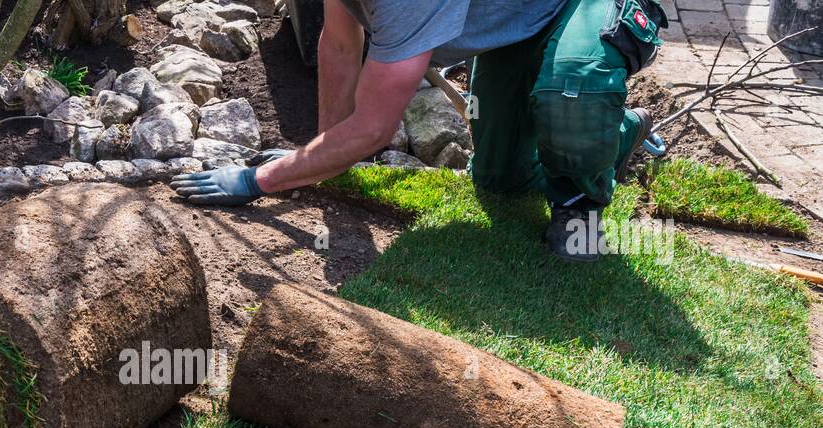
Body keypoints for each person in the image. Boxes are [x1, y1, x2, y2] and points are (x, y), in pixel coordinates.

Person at [171, 0, 665, 262]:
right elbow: (341, 46)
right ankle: (594, 134)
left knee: (571, 96)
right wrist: (318, 160)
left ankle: (589, 184)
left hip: (584, 5)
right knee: (499, 181)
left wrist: (260, 181)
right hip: (520, 17)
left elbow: (373, 129)